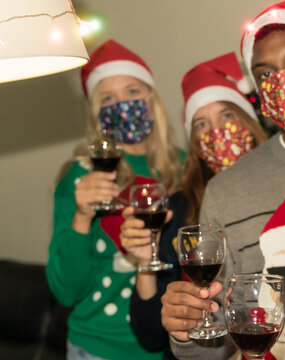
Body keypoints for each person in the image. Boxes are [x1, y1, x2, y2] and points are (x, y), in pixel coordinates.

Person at [160, 0, 285, 358]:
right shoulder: (227, 191)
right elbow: (213, 345)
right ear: (258, 92)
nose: (284, 80)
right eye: (265, 73)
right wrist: (185, 330)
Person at [119, 52, 267, 360]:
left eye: (227, 116)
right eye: (202, 124)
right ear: (195, 142)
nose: (217, 132)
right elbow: (150, 335)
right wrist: (146, 261)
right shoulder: (178, 208)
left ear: (249, 123)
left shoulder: (277, 191)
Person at [46, 39, 185, 360]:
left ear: (152, 98)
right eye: (108, 98)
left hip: (171, 346)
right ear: (97, 115)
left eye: (133, 92)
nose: (122, 105)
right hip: (96, 348)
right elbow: (66, 291)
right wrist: (82, 216)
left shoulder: (184, 168)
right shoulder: (82, 177)